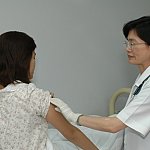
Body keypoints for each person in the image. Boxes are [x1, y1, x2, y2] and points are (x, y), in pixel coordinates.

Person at [51, 16, 150, 150]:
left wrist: (73, 116)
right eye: (127, 43)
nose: (128, 48)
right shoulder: (142, 77)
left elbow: (113, 125)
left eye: (133, 43)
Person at [0, 31, 99, 150]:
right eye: (33, 57)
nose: (34, 63)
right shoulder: (34, 96)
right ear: (24, 61)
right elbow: (71, 133)